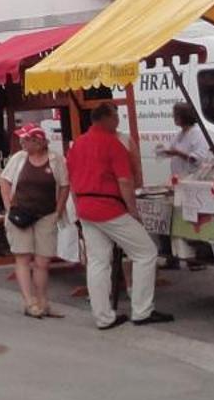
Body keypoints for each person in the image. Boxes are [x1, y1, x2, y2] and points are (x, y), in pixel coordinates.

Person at [70, 102, 172, 329]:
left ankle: (103, 316)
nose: (118, 121)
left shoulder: (77, 144)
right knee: (145, 252)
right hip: (109, 206)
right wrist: (133, 211)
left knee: (98, 261)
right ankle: (142, 310)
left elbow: (72, 180)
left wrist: (78, 207)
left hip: (86, 206)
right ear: (106, 118)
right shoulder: (113, 143)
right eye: (116, 116)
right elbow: (125, 181)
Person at [1, 124, 67, 319]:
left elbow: (64, 185)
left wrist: (59, 210)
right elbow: (5, 181)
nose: (23, 143)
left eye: (26, 140)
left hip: (46, 214)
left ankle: (42, 301)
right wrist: (8, 206)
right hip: (20, 213)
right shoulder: (19, 158)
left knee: (43, 260)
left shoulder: (55, 160)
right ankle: (29, 302)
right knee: (23, 257)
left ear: (38, 142)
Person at [158, 102, 214, 175]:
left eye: (176, 115)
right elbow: (170, 150)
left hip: (192, 178)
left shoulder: (198, 134)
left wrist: (178, 153)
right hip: (178, 178)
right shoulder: (179, 134)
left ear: (185, 116)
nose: (174, 117)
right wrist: (162, 149)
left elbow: (198, 159)